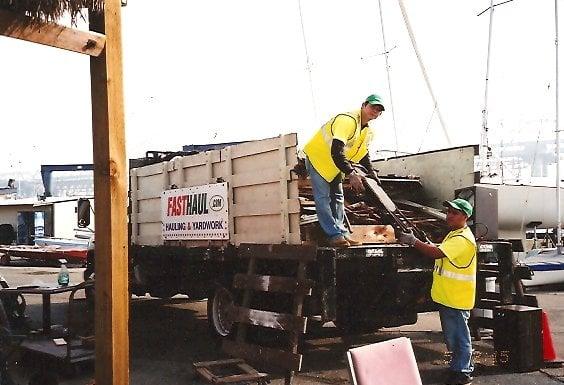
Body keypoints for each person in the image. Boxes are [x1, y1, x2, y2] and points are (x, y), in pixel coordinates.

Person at [398, 198, 476, 385]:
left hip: (456, 298)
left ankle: (463, 372)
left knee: (459, 337)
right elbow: (440, 249)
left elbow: (436, 253)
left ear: (465, 216)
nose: (449, 216)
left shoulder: (462, 239)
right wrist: (424, 241)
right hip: (449, 296)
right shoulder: (455, 234)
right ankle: (458, 367)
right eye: (448, 211)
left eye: (454, 213)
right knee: (454, 337)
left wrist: (413, 241)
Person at [303, 94, 385, 247]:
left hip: (335, 165)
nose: (375, 111)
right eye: (373, 107)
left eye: (379, 110)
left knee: (338, 198)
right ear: (363, 105)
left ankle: (342, 233)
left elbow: (363, 154)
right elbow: (337, 149)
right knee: (323, 198)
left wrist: (371, 172)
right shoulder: (347, 120)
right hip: (319, 159)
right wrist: (351, 173)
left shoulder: (368, 131)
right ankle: (333, 235)